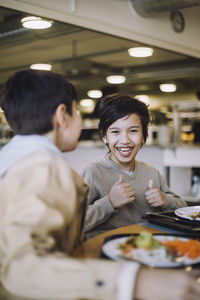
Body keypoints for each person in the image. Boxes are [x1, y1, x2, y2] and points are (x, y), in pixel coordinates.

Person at [0, 70, 199, 300]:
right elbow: (22, 269)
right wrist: (134, 282)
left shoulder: (21, 163)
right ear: (62, 115)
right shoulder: (40, 169)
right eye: (77, 112)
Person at [82, 93, 187, 239]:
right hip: (107, 251)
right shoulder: (94, 172)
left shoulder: (152, 172)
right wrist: (109, 202)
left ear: (144, 135)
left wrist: (165, 200)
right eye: (115, 132)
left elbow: (184, 208)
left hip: (148, 248)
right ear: (104, 136)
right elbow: (77, 223)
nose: (125, 140)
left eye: (133, 131)